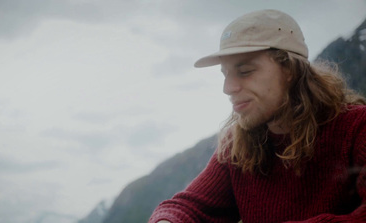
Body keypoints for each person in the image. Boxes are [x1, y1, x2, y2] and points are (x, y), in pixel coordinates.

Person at [148, 9, 366, 223]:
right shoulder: (237, 146)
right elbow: (191, 208)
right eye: (225, 75)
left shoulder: (357, 127)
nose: (228, 88)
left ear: (290, 70)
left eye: (245, 72)